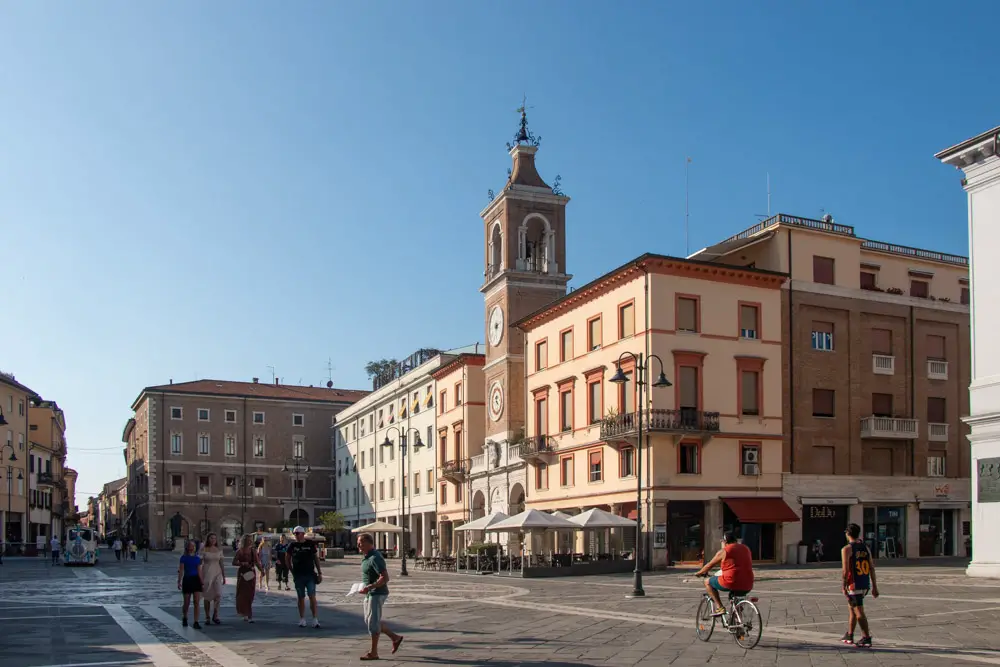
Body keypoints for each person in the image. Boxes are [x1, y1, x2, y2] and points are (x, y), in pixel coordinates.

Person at [357, 532, 403, 660]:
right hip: (370, 592)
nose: (358, 545)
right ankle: (395, 638)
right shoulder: (366, 556)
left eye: (360, 542)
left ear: (368, 543)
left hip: (377, 593)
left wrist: (371, 586)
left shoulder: (375, 557)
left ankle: (374, 653)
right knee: (370, 621)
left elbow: (385, 577)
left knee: (373, 623)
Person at [695, 531, 754, 617]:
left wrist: (699, 573)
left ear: (725, 541)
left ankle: (720, 607)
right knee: (735, 595)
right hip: (748, 582)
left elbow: (709, 565)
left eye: (722, 541)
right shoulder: (746, 548)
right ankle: (737, 616)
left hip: (731, 581)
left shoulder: (724, 551)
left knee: (707, 582)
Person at [841, 523, 879, 648]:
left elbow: (845, 570)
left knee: (858, 611)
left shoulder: (847, 549)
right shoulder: (865, 547)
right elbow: (872, 568)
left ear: (847, 534)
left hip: (854, 584)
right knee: (852, 609)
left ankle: (866, 637)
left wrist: (844, 586)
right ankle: (850, 634)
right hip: (864, 582)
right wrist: (874, 586)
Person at [285, 526, 322, 628]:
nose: (296, 536)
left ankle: (315, 619)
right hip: (298, 575)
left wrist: (319, 572)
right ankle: (302, 619)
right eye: (294, 534)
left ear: (302, 534)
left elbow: (316, 558)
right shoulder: (292, 545)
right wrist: (292, 571)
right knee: (300, 597)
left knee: (312, 596)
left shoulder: (310, 544)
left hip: (310, 574)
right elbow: (287, 559)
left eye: (297, 533)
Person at [200, 533, 226, 625]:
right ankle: (207, 616)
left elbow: (222, 563)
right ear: (208, 539)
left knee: (218, 594)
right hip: (206, 572)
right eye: (211, 538)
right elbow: (199, 563)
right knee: (207, 595)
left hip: (217, 573)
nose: (213, 540)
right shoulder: (204, 549)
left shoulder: (219, 550)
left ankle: (216, 614)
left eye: (215, 538)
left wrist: (224, 576)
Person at [177, 540, 204, 629]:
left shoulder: (197, 559)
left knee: (196, 602)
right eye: (190, 546)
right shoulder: (183, 558)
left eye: (193, 546)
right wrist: (179, 581)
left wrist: (202, 582)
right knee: (186, 602)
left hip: (195, 579)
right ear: (187, 547)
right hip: (187, 579)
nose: (191, 548)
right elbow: (181, 570)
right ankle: (185, 617)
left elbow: (199, 571)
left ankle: (196, 621)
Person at [233, 534, 259, 623]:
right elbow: (234, 562)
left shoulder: (253, 550)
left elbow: (257, 562)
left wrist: (262, 571)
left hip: (251, 573)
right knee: (243, 594)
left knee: (251, 594)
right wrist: (242, 563)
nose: (249, 541)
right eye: (248, 540)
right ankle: (247, 614)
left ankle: (247, 613)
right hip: (243, 574)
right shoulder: (240, 551)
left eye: (250, 540)